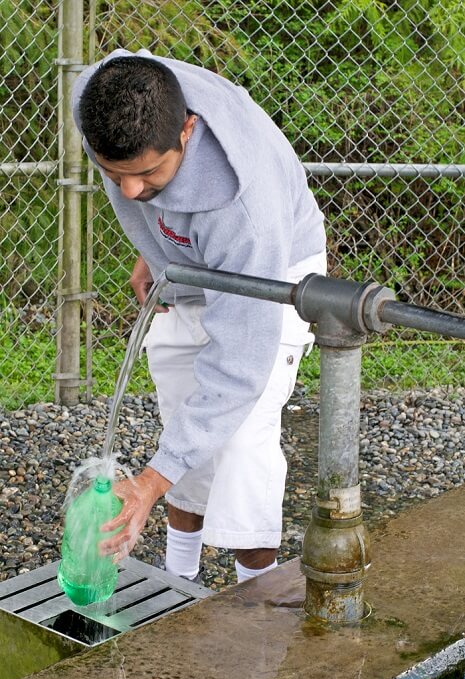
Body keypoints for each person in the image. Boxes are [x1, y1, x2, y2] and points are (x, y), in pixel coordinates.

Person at [73, 49, 326, 584]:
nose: (130, 192)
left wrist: (149, 481)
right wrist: (160, 246)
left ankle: (256, 605)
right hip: (187, 265)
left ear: (187, 131)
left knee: (240, 438)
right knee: (181, 416)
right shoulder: (99, 97)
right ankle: (179, 580)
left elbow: (238, 367)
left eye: (145, 174)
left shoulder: (246, 215)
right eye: (112, 174)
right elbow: (143, 186)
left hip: (274, 273)